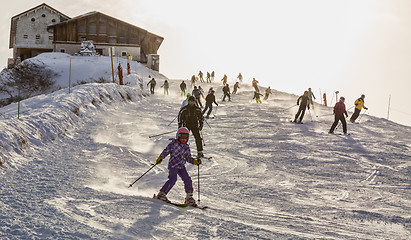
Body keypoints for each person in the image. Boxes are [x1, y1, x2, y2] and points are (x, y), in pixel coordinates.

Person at [154, 127, 202, 206]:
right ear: (178, 136)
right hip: (173, 165)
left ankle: (189, 197)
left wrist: (195, 161)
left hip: (181, 166)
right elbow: (166, 151)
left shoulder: (186, 147)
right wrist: (161, 158)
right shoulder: (173, 144)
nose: (184, 139)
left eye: (186, 137)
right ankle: (162, 194)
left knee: (187, 180)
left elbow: (188, 158)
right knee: (173, 179)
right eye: (182, 137)